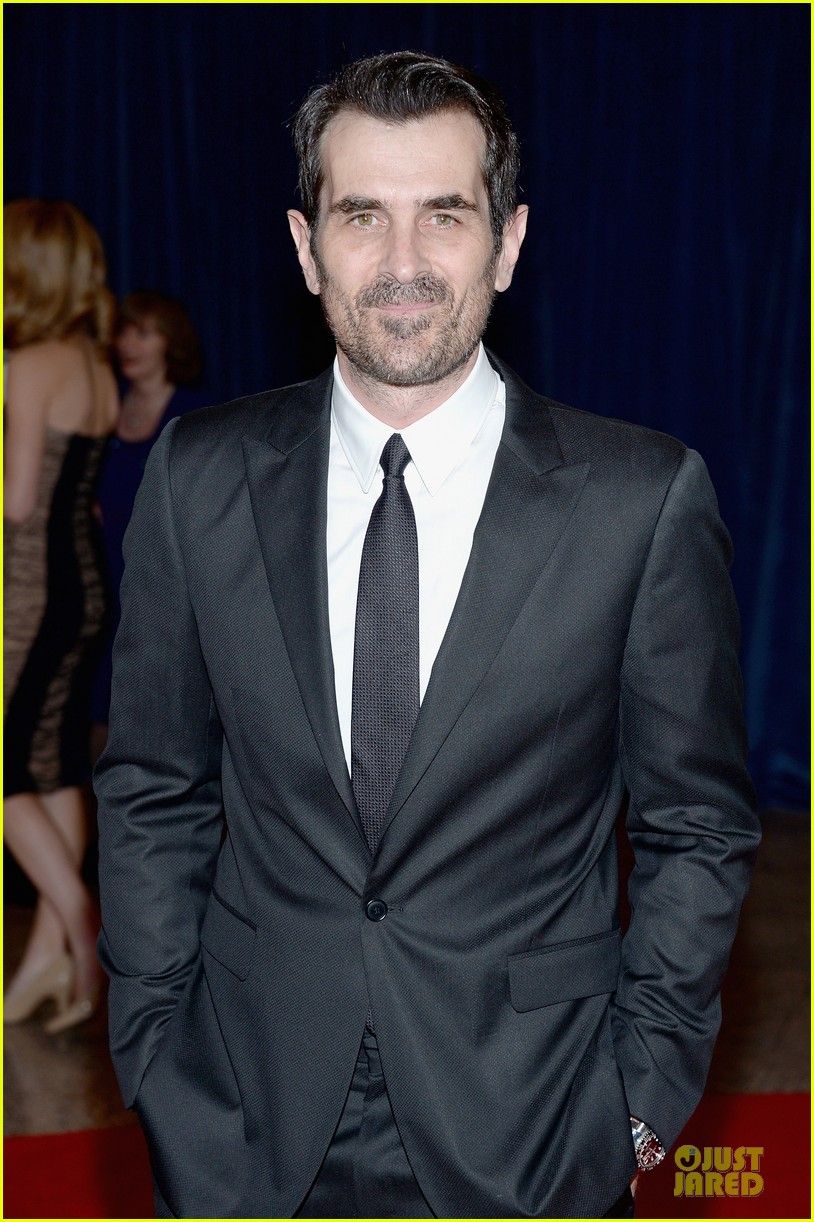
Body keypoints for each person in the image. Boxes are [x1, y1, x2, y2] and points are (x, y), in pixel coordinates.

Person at [95, 52, 761, 1219]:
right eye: (362, 215)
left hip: (533, 1124)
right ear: (306, 247)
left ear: (507, 242)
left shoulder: (638, 500)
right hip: (242, 1121)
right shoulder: (200, 479)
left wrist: (636, 1101)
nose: (402, 262)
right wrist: (154, 1044)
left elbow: (695, 825)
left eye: (444, 215)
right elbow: (154, 782)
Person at [4, 199, 118, 1033]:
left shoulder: (34, 360)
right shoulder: (90, 361)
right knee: (51, 764)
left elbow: (16, 503)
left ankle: (78, 921)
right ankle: (50, 950)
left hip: (32, 589)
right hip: (80, 582)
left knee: (18, 764)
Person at [91, 292, 204, 735]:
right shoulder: (103, 403)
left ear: (170, 341)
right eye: (123, 332)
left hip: (161, 585)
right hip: (100, 580)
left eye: (142, 333)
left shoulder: (193, 416)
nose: (126, 344)